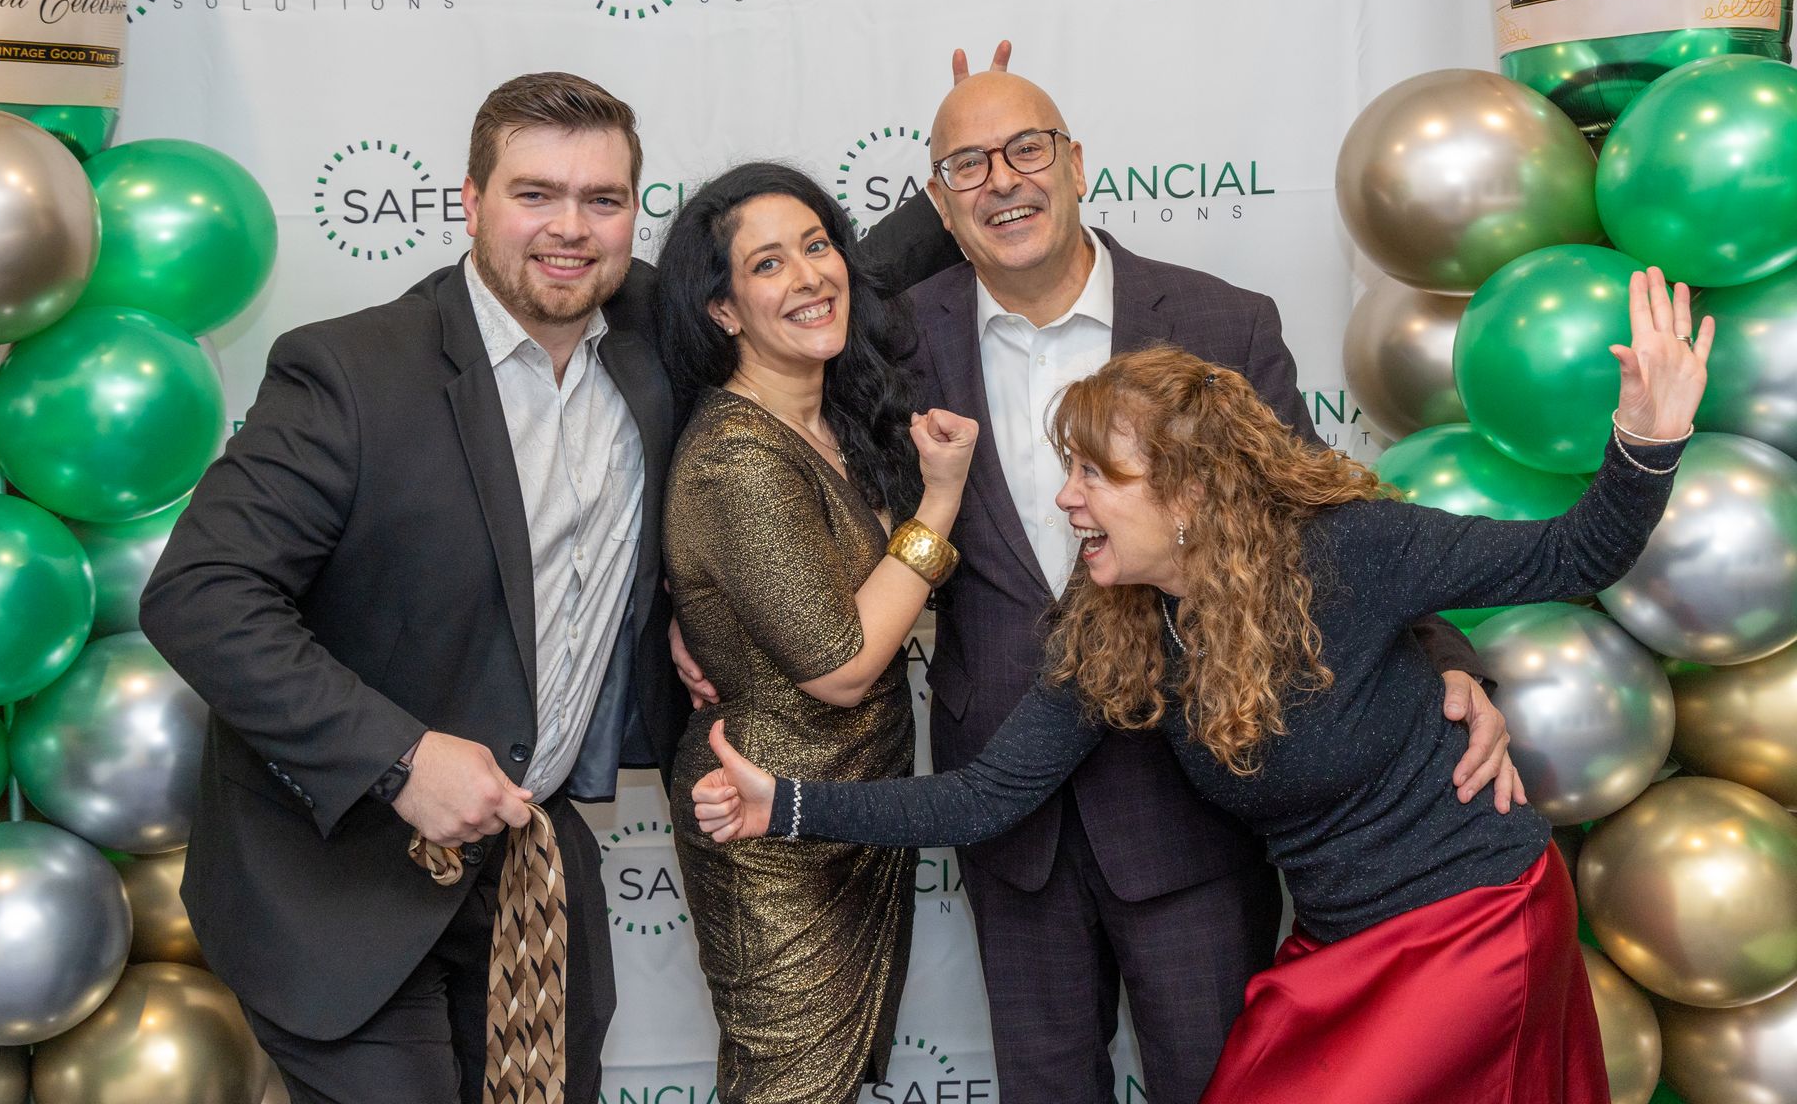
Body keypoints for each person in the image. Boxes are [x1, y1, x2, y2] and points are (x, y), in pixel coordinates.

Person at [698, 56, 1511, 1104]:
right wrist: (699, 615)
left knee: (1217, 1083)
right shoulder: (887, 339)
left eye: (1028, 149)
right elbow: (736, 401)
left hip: (1188, 801)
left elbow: (1327, 517)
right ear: (938, 203)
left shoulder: (1221, 323)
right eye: (969, 167)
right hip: (1006, 803)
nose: (1005, 183)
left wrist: (1447, 661)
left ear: (1077, 163)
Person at [693, 267, 1710, 1103]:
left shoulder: (1349, 548)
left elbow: (1572, 555)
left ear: (1185, 493)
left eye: (1094, 475)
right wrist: (781, 801)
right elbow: (988, 793)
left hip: (1466, 918)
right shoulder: (1119, 624)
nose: (1066, 497)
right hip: (1338, 943)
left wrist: (1647, 439)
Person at [139, 72, 689, 1104]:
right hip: (340, 884)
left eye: (603, 200)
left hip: (530, 876)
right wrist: (400, 758)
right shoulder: (350, 372)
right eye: (535, 193)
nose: (569, 228)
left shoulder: (655, 347)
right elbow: (201, 591)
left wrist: (962, 193)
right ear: (471, 202)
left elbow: (809, 273)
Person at [653, 162, 978, 1101]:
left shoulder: (829, 416)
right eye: (767, 265)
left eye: (817, 245)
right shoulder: (737, 459)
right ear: (722, 311)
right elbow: (840, 666)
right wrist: (942, 501)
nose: (809, 277)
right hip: (768, 823)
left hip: (856, 806)